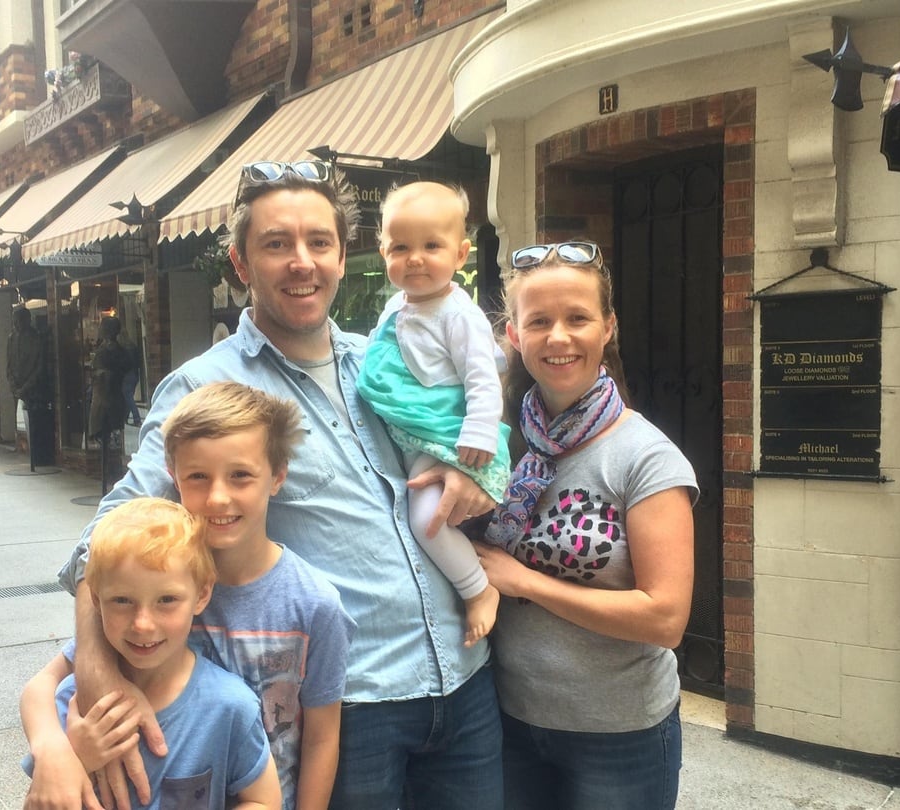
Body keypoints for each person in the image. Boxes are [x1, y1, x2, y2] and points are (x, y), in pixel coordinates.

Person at [57, 160, 501, 810]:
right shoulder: (203, 389)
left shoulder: (384, 361)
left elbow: (469, 430)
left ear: (344, 257)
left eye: (319, 242)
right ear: (240, 263)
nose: (302, 262)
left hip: (465, 682)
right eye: (276, 244)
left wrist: (480, 474)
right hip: (351, 703)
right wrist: (97, 677)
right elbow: (100, 545)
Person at [473, 240, 698, 810]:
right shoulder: (498, 445)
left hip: (619, 736)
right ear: (514, 335)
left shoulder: (645, 457)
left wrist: (523, 581)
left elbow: (665, 618)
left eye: (578, 318)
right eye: (539, 321)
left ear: (608, 328)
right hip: (509, 720)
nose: (558, 337)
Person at [20, 497, 282, 810]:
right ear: (95, 597)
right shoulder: (74, 704)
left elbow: (263, 800)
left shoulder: (230, 707)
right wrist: (77, 756)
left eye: (166, 600)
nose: (143, 624)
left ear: (202, 594)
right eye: (122, 601)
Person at [170, 382, 353, 810]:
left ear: (278, 475)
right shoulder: (157, 589)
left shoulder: (315, 606)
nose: (218, 497)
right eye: (198, 476)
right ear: (172, 476)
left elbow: (323, 738)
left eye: (240, 475)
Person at [356, 181, 508, 646]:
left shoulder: (458, 314)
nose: (415, 258)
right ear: (383, 252)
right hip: (412, 436)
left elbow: (483, 378)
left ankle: (478, 589)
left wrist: (480, 433)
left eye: (431, 245)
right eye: (401, 247)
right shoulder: (394, 307)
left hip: (446, 436)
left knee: (427, 518)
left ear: (461, 255)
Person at [88, 316, 130, 441]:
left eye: (101, 326)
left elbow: (105, 375)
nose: (99, 328)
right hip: (113, 397)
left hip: (104, 400)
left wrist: (97, 374)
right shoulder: (118, 349)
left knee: (104, 435)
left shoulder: (106, 351)